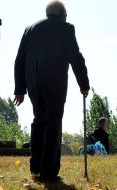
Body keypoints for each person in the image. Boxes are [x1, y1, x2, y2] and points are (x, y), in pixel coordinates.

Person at [13, 1, 90, 182]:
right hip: (54, 83)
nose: (66, 18)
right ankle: (49, 172)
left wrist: (20, 88)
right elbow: (75, 57)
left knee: (39, 122)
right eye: (66, 14)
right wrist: (84, 84)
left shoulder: (29, 29)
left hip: (33, 85)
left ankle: (37, 167)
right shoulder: (65, 28)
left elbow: (20, 59)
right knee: (53, 124)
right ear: (61, 14)